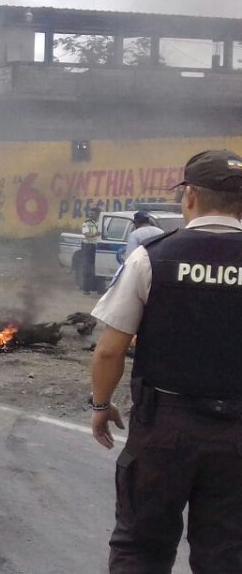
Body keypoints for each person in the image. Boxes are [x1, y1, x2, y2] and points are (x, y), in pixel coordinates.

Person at [88, 150, 242, 573]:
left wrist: (101, 405)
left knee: (141, 548)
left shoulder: (152, 257)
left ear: (190, 196)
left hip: (164, 428)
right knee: (227, 554)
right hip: (236, 434)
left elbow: (109, 350)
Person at [80, 207, 102, 294]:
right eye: (90, 213)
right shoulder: (86, 223)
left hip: (99, 246)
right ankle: (86, 289)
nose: (90, 215)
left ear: (98, 214)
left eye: (92, 214)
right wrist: (96, 234)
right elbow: (86, 235)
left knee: (99, 268)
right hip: (88, 247)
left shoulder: (102, 222)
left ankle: (99, 289)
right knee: (88, 268)